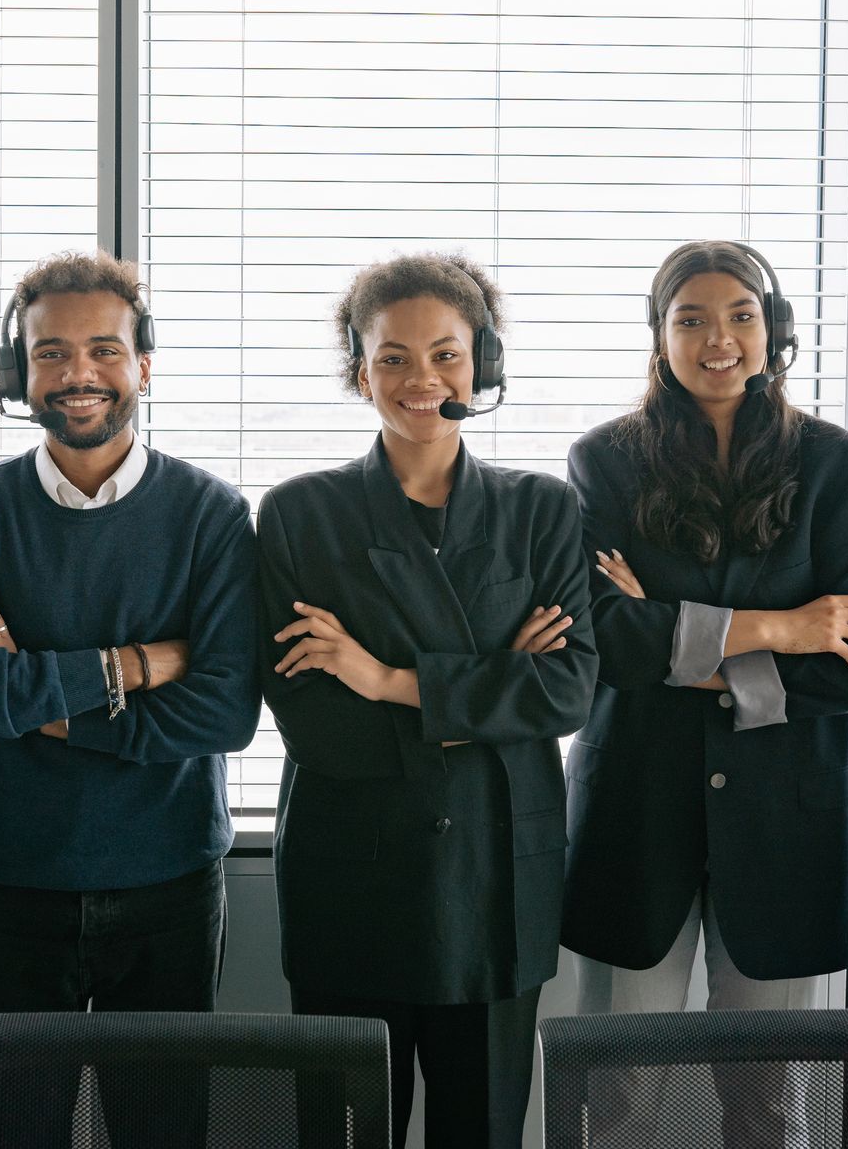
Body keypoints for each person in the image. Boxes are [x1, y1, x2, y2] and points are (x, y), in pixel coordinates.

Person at [0, 250, 259, 1143]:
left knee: (163, 1129)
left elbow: (222, 712)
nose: (78, 373)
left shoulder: (211, 514)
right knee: (11, 1129)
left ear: (144, 365)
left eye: (104, 349)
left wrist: (24, 684)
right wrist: (133, 666)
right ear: (16, 371)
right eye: (50, 352)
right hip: (13, 879)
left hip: (169, 876)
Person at [256, 252, 597, 1149]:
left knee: (481, 1131)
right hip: (350, 867)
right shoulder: (299, 514)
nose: (421, 380)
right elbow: (314, 725)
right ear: (357, 370)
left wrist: (382, 679)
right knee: (340, 1131)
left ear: (481, 363)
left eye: (445, 354)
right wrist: (487, 695)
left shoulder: (544, 510)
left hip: (495, 871)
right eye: (393, 357)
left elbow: (565, 689)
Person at [560, 240, 848, 1146]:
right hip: (637, 807)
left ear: (774, 329)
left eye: (741, 315)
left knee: (770, 1102)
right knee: (618, 1095)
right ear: (659, 335)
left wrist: (671, 628)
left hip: (788, 818)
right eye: (691, 318)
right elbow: (605, 644)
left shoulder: (841, 469)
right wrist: (781, 626)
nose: (718, 339)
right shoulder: (602, 464)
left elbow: (842, 669)